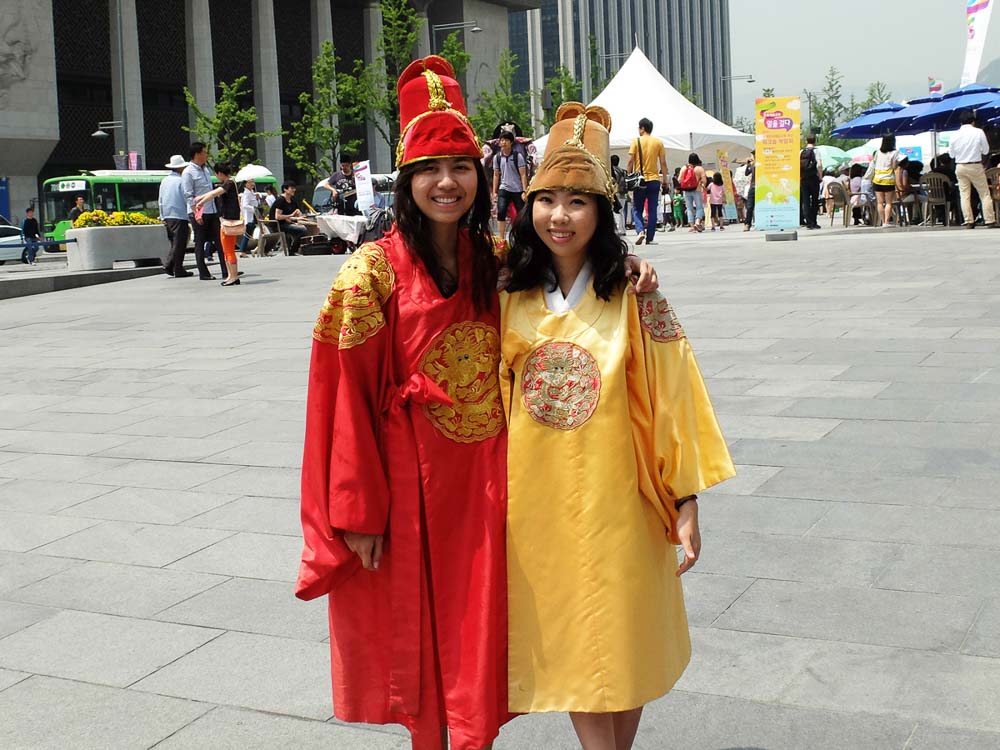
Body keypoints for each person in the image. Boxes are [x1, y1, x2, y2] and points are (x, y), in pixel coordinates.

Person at [501, 103, 735, 750]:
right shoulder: (505, 294)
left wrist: (685, 497)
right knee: (577, 648)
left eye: (578, 201)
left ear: (602, 211)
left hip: (623, 500)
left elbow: (673, 393)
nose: (559, 215)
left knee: (624, 646)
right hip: (539, 508)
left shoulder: (634, 295)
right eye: (547, 198)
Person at [181, 141, 225, 280]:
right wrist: (196, 212)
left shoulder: (205, 170)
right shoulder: (188, 172)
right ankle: (203, 272)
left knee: (219, 241)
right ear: (197, 154)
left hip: (211, 210)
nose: (207, 155)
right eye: (205, 152)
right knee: (200, 242)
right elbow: (188, 195)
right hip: (199, 213)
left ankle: (226, 270)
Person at [195, 162, 241, 286]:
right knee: (226, 250)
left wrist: (201, 202)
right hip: (226, 221)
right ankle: (231, 276)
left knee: (229, 250)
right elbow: (213, 192)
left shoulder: (229, 184)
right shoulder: (228, 184)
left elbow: (214, 193)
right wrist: (201, 198)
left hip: (229, 221)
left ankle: (233, 276)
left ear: (220, 173)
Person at [950, 109, 997, 229]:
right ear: (973, 122)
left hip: (960, 165)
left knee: (964, 194)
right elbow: (985, 150)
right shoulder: (978, 132)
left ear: (961, 122)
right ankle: (989, 220)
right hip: (975, 164)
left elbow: (951, 155)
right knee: (984, 193)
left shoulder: (955, 134)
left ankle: (968, 220)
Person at [626, 117, 668, 246]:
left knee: (637, 208)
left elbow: (630, 162)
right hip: (654, 180)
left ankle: (640, 231)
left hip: (640, 181)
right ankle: (650, 237)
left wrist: (628, 177)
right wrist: (665, 180)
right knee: (652, 209)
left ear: (642, 128)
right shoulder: (658, 142)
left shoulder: (636, 141)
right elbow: (663, 163)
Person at [158, 154, 192, 277]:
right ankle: (173, 267)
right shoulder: (181, 181)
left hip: (168, 215)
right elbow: (186, 198)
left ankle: (174, 267)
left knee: (174, 242)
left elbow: (160, 200)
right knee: (179, 243)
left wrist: (162, 216)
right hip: (180, 215)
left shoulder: (165, 180)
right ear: (180, 168)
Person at [492, 130, 528, 239]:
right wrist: (494, 192)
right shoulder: (497, 158)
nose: (503, 142)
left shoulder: (518, 156)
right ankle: (501, 238)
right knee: (501, 211)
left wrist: (524, 191)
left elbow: (523, 175)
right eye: (502, 140)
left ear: (511, 142)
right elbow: (496, 175)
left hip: (517, 189)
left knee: (521, 214)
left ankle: (521, 237)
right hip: (504, 188)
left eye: (506, 140)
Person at [867, 135, 905, 227]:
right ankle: (887, 222)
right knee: (888, 202)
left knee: (880, 202)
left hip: (877, 179)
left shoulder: (878, 152)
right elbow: (894, 167)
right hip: (888, 179)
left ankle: (882, 221)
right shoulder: (895, 152)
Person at [270, 181, 308, 254]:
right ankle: (293, 251)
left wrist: (299, 217)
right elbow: (277, 216)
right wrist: (291, 215)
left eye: (294, 188)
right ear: (285, 189)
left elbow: (293, 215)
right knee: (303, 230)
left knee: (303, 227)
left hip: (286, 222)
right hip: (278, 224)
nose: (294, 190)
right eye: (292, 188)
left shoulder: (292, 200)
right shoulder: (280, 200)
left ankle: (294, 249)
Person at [679, 153, 706, 232]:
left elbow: (679, 179)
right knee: (699, 207)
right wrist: (701, 183)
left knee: (689, 208)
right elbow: (704, 180)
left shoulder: (684, 168)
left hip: (686, 190)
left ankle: (692, 226)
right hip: (697, 190)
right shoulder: (699, 168)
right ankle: (697, 222)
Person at [800, 135, 822, 229]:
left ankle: (808, 222)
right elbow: (819, 165)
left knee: (806, 201)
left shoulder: (801, 152)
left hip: (804, 179)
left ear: (806, 141)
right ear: (815, 141)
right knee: (814, 200)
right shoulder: (816, 151)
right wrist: (820, 176)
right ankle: (814, 221)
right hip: (813, 178)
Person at [236, 177, 260, 257]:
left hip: (253, 216)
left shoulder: (251, 192)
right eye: (250, 182)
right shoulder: (246, 193)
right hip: (249, 216)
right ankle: (242, 251)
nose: (252, 184)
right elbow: (245, 205)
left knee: (250, 234)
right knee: (247, 235)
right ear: (245, 184)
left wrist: (257, 199)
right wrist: (253, 209)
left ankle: (248, 250)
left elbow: (255, 203)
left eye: (253, 182)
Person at [743, 151, 756, 231]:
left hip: (762, 186)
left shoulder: (764, 163)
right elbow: (746, 173)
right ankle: (747, 223)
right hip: (753, 186)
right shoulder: (753, 164)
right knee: (749, 206)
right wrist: (748, 164)